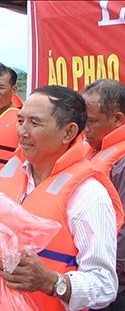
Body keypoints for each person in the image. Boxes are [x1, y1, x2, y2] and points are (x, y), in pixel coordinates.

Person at [0, 85, 124, 311]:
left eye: (35, 123)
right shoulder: (8, 173)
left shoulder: (88, 193)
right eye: (20, 120)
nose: (22, 131)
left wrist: (52, 282)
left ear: (69, 132)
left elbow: (104, 284)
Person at [82, 79, 125, 311]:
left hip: (113, 283)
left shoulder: (122, 162)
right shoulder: (94, 150)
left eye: (91, 122)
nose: (84, 128)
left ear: (117, 119)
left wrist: (108, 281)